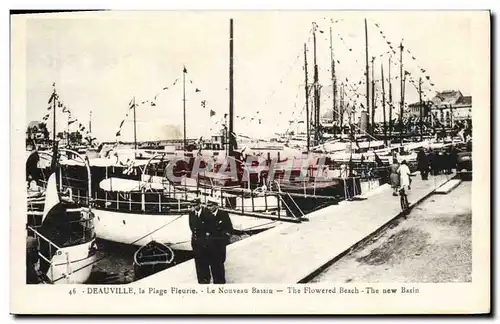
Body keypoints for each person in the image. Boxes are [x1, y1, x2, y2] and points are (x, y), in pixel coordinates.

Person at [188, 199, 233, 284]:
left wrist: (223, 240)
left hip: (217, 245)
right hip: (202, 245)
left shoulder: (220, 214)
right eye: (208, 205)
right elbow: (193, 227)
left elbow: (228, 229)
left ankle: (219, 283)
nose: (209, 207)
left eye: (211, 205)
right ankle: (205, 282)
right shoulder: (196, 214)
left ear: (216, 205)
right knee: (203, 266)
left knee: (217, 266)